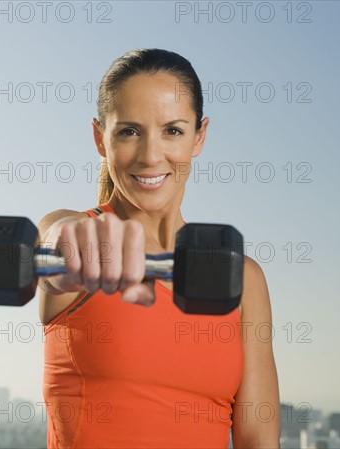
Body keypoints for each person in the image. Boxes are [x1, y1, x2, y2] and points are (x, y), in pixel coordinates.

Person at [37, 48, 280, 449]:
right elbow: (54, 239)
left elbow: (258, 438)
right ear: (101, 138)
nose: (151, 156)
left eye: (173, 131)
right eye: (129, 131)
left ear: (199, 136)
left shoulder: (243, 277)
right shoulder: (78, 237)